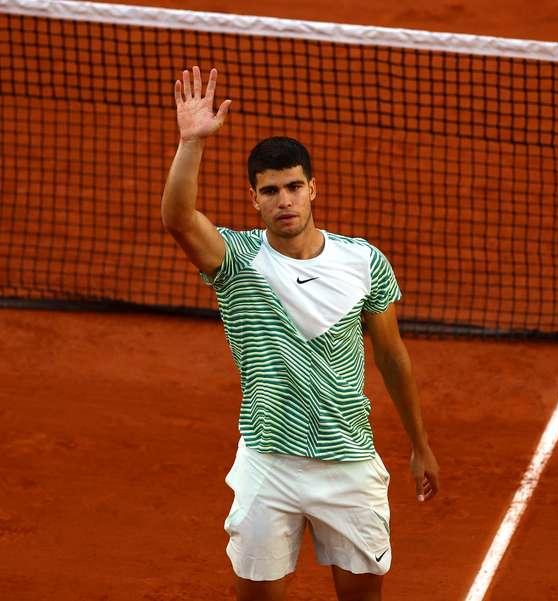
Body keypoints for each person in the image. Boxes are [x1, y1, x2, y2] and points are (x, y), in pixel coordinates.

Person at [161, 66, 439, 601]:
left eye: (293, 187)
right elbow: (177, 218)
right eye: (271, 191)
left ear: (313, 188)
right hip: (269, 464)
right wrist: (190, 142)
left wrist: (419, 444)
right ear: (255, 199)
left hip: (350, 462)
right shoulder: (236, 259)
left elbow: (392, 356)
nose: (284, 200)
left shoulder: (364, 261)